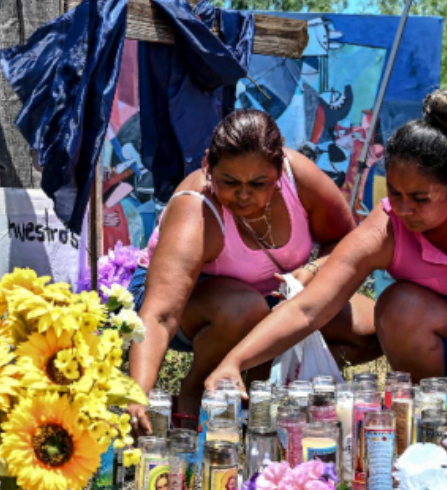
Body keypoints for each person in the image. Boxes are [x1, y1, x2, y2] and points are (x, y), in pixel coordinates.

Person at [127, 109, 380, 433]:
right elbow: (160, 315)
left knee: (373, 329)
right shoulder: (196, 209)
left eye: (258, 183)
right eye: (229, 182)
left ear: (279, 171)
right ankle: (194, 393)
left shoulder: (299, 178)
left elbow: (346, 243)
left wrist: (312, 270)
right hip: (190, 305)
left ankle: (265, 386)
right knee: (245, 309)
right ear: (208, 165)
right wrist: (138, 394)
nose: (244, 195)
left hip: (273, 297)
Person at [206, 90, 447, 390]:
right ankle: (435, 416)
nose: (403, 209)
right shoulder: (387, 228)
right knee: (400, 308)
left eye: (420, 199)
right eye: (395, 193)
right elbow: (308, 308)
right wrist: (234, 363)